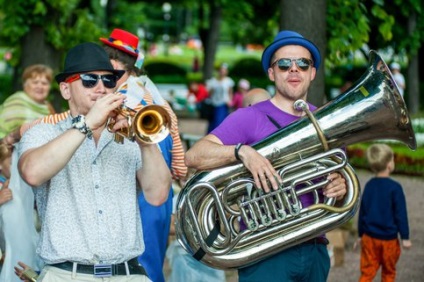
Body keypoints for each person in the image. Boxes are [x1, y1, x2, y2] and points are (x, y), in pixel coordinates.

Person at [184, 30, 347, 282]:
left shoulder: (325, 123)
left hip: (314, 249)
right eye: (284, 64)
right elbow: (194, 156)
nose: (294, 70)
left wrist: (340, 188)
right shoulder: (249, 117)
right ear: (272, 73)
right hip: (266, 255)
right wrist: (242, 152)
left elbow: (338, 186)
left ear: (312, 73)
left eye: (302, 64)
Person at [17, 42, 171, 281]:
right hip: (66, 274)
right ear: (66, 90)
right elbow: (32, 173)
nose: (101, 88)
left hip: (128, 273)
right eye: (90, 80)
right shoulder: (43, 133)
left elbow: (158, 195)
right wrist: (87, 124)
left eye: (109, 81)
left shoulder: (129, 137)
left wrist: (145, 142)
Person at [100, 28, 187, 282]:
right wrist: (179, 168)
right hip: (160, 184)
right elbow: (174, 127)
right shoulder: (151, 91)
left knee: (139, 263)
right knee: (151, 259)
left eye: (110, 73)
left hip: (138, 188)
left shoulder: (121, 98)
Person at [356, 143, 411, 282]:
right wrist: (405, 237)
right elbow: (400, 214)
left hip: (369, 238)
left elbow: (363, 211)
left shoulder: (369, 185)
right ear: (389, 164)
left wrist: (360, 234)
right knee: (388, 272)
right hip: (389, 240)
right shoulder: (395, 188)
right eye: (392, 159)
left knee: (367, 272)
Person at [165, 191, 226, 282]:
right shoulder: (180, 198)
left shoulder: (211, 196)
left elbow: (223, 222)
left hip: (211, 253)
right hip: (185, 253)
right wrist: (192, 230)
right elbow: (169, 227)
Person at [0, 64, 55, 143]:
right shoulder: (17, 101)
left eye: (44, 83)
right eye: (35, 82)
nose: (40, 86)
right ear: (25, 85)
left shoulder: (48, 107)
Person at [205, 63, 235, 133]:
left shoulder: (228, 81)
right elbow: (209, 93)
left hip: (223, 103)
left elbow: (230, 92)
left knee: (219, 121)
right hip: (214, 103)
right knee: (213, 122)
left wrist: (230, 101)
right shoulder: (213, 81)